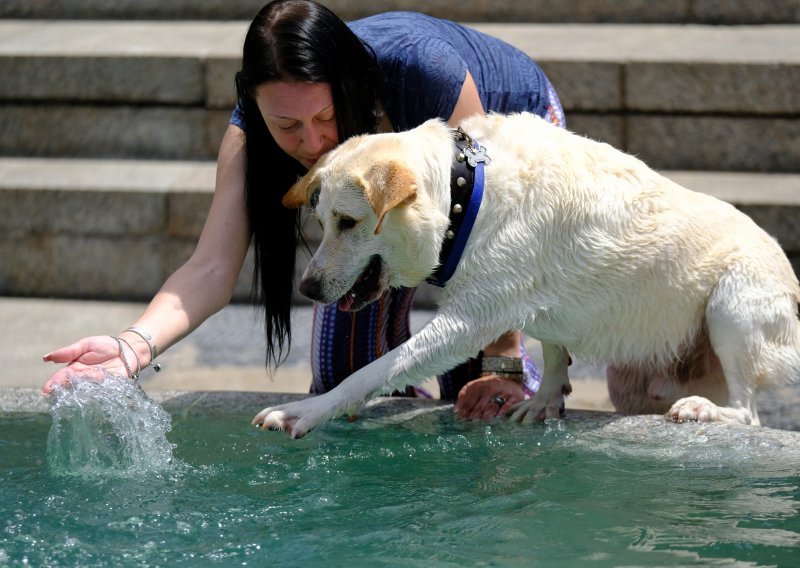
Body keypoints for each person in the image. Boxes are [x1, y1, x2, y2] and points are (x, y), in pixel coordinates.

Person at [42, 0, 566, 421]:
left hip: (512, 150)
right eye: (287, 127)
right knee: (342, 379)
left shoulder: (418, 71)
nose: (312, 142)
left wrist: (505, 362)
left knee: (482, 386)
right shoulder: (250, 130)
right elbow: (210, 267)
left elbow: (497, 238)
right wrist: (134, 346)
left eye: (326, 115)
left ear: (351, 87)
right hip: (403, 190)